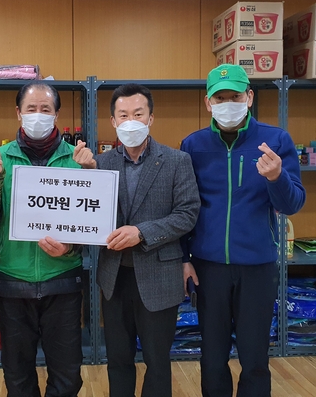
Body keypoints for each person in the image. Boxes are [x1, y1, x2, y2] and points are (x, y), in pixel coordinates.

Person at [180, 64, 306, 397]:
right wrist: (183, 258)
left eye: (234, 97)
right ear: (208, 102)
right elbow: (183, 208)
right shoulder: (193, 145)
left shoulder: (275, 141)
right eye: (219, 98)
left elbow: (293, 203)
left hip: (257, 267)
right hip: (208, 267)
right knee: (212, 358)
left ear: (249, 97)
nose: (227, 104)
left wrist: (277, 177)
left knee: (254, 358)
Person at [0, 80, 95, 397]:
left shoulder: (78, 159)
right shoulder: (0, 159)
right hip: (13, 282)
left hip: (62, 281)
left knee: (68, 376)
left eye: (45, 109)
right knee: (17, 376)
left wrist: (71, 244)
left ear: (56, 114)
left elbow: (91, 223)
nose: (38, 115)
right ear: (18, 113)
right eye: (31, 109)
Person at [91, 83, 200, 397]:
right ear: (113, 121)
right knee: (118, 359)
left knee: (157, 361)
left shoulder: (177, 161)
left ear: (151, 118)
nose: (131, 121)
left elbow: (187, 213)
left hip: (159, 274)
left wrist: (141, 232)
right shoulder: (101, 163)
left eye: (138, 114)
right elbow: (90, 214)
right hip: (114, 277)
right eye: (123, 115)